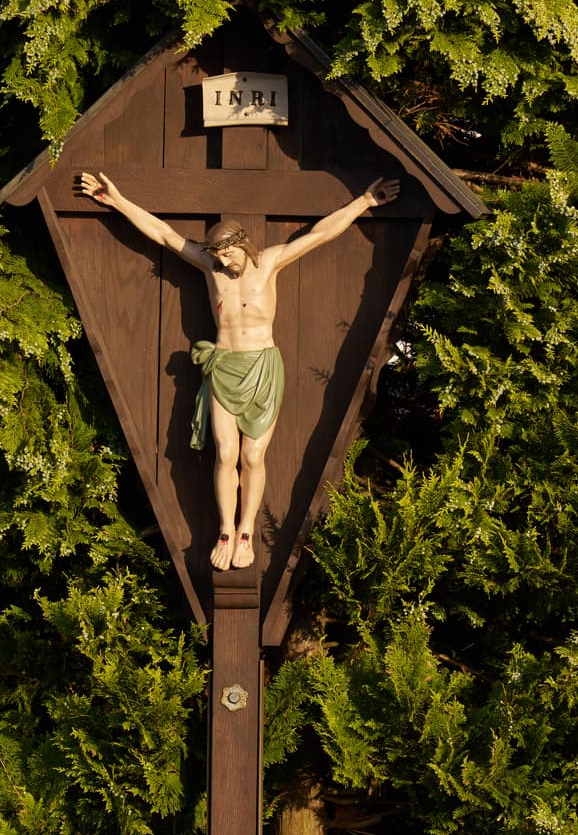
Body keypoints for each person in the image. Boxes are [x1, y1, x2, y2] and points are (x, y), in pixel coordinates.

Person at [74, 170, 402, 570]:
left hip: (263, 366)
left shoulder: (269, 263)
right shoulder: (211, 269)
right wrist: (118, 200)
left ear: (241, 245)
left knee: (252, 456)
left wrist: (365, 202)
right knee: (225, 453)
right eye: (217, 257)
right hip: (225, 366)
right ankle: (226, 530)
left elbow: (319, 234)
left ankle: (246, 531)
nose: (223, 262)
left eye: (227, 254)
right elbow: (163, 234)